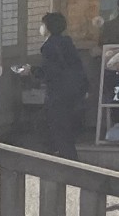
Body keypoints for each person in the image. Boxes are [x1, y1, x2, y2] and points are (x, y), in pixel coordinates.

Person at [36, 10, 88, 159]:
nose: (41, 28)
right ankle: (66, 159)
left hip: (58, 93)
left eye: (43, 24)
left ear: (48, 27)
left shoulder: (50, 47)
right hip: (73, 92)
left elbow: (49, 72)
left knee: (57, 129)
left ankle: (66, 164)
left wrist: (31, 71)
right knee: (64, 129)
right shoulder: (67, 43)